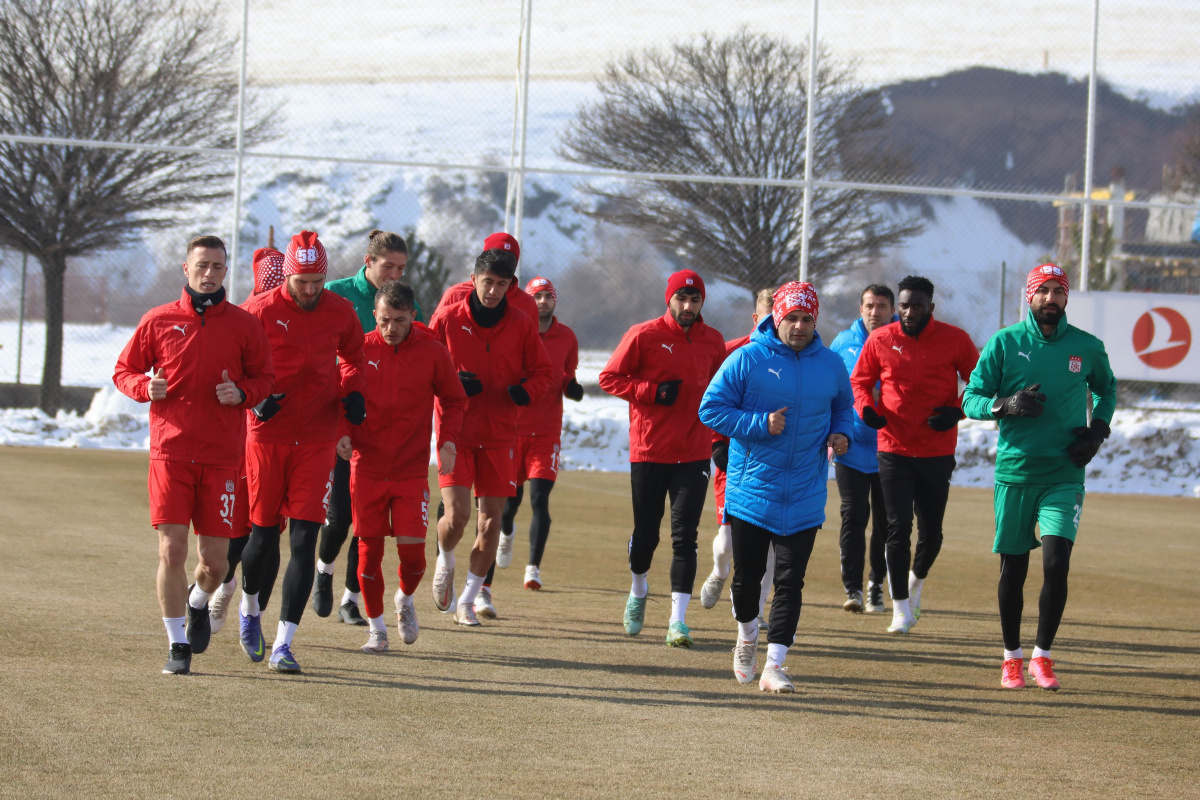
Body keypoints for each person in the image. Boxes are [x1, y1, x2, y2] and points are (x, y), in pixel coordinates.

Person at [113, 235, 274, 675]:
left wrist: (241, 393)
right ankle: (177, 643)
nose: (209, 273)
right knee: (171, 550)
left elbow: (264, 379)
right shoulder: (159, 320)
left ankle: (198, 600)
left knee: (216, 563)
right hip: (171, 454)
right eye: (201, 265)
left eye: (217, 267)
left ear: (226, 271)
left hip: (222, 458)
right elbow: (123, 371)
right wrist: (145, 388)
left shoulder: (244, 325)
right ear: (186, 269)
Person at [963, 264, 1116, 690]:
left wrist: (1097, 430)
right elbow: (971, 397)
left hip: (1064, 473)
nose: (1051, 298)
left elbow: (1107, 388)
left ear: (1066, 298)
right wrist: (1004, 405)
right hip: (1015, 473)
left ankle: (1042, 656)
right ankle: (1011, 658)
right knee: (1013, 570)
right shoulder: (1004, 343)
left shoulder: (1086, 347)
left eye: (1058, 291)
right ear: (1029, 297)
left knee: (1056, 562)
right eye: (1043, 291)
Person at [700, 281, 853, 693]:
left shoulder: (831, 365)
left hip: (805, 492)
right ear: (776, 317)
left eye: (807, 318)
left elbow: (843, 408)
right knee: (747, 581)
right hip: (752, 493)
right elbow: (710, 409)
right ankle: (747, 635)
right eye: (791, 318)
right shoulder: (747, 358)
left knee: (790, 582)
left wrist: (842, 435)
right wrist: (758, 424)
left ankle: (775, 664)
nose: (799, 326)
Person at [239, 230, 366, 673]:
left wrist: (352, 393)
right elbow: (235, 366)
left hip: (316, 438)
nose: (310, 290)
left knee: (305, 537)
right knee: (262, 534)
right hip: (268, 435)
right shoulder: (258, 311)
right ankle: (250, 609)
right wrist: (256, 398)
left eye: (317, 281)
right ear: (287, 277)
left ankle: (284, 644)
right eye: (301, 282)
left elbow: (355, 356)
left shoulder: (340, 310)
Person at [599, 270, 726, 647]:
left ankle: (678, 622)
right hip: (650, 450)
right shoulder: (644, 334)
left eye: (695, 300)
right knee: (647, 536)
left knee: (685, 537)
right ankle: (638, 590)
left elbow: (722, 392)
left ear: (702, 302)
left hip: (694, 454)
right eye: (681, 299)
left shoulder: (713, 341)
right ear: (668, 299)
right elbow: (609, 378)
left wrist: (720, 438)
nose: (688, 307)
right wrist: (651, 391)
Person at [428, 248, 553, 627]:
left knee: (490, 522)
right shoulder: (448, 318)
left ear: (511, 285)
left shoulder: (521, 323)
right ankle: (445, 559)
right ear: (474, 278)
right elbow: (424, 365)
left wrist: (526, 391)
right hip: (456, 431)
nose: (493, 291)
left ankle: (467, 600)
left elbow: (544, 373)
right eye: (487, 282)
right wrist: (450, 381)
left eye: (501, 284)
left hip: (500, 435)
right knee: (458, 515)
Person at [850, 276, 979, 634]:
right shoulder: (880, 339)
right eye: (903, 305)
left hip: (937, 450)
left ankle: (916, 583)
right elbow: (860, 381)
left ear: (931, 308)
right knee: (897, 527)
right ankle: (900, 609)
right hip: (893, 447)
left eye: (916, 306)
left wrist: (957, 409)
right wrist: (867, 408)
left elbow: (981, 382)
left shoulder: (956, 339)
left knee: (932, 534)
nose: (908, 312)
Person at [348, 280, 467, 652]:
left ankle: (404, 599)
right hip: (365, 469)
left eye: (399, 320)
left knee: (414, 558)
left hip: (410, 472)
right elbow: (339, 398)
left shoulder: (432, 351)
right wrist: (342, 433)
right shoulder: (359, 351)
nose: (390, 329)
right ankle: (377, 629)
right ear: (375, 316)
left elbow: (454, 399)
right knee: (368, 555)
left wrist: (447, 439)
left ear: (413, 316)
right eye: (384, 320)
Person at [315, 229, 424, 627]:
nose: (395, 273)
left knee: (367, 525)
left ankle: (350, 598)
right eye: (388, 265)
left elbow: (422, 342)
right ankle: (323, 573)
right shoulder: (336, 293)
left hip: (382, 433)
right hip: (337, 417)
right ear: (368, 261)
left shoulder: (404, 304)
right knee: (339, 516)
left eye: (401, 267)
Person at [209, 247, 288, 635]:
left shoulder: (297, 321)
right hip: (239, 441)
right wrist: (252, 402)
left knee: (266, 532)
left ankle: (250, 607)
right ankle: (225, 585)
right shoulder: (240, 321)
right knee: (238, 531)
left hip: (284, 440)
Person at [492, 276, 583, 592]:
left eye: (548, 296)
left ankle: (533, 568)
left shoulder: (567, 337)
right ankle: (506, 532)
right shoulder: (515, 332)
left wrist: (572, 388)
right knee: (509, 504)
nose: (543, 302)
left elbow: (566, 374)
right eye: (536, 296)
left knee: (540, 498)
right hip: (512, 431)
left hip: (546, 434)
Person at [699, 288, 776, 626]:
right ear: (755, 318)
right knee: (729, 538)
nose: (776, 325)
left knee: (771, 544)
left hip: (773, 465)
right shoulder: (732, 352)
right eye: (768, 318)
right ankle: (719, 571)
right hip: (734, 461)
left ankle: (755, 609)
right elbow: (712, 403)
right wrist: (718, 443)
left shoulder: (797, 357)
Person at [829, 284, 897, 614]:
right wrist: (834, 432)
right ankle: (853, 588)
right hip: (852, 447)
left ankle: (876, 586)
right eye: (869, 305)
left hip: (891, 448)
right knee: (853, 517)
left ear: (892, 310)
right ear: (860, 309)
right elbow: (830, 391)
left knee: (886, 522)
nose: (875, 312)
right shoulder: (843, 343)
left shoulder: (902, 340)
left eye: (882, 306)